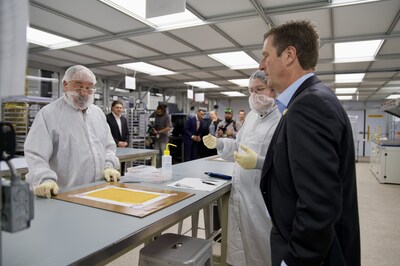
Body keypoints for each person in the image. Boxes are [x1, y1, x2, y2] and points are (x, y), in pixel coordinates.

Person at [259, 20, 360, 266]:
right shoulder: (311, 99)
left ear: (289, 55)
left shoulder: (308, 106)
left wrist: (293, 261)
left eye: (265, 55)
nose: (261, 65)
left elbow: (318, 205)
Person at [202, 70, 281, 266]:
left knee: (264, 250)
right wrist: (219, 143)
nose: (255, 95)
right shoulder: (252, 117)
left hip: (262, 198)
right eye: (250, 91)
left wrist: (259, 162)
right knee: (241, 247)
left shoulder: (282, 118)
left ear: (273, 89)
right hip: (242, 191)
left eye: (259, 89)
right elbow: (238, 144)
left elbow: (286, 161)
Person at [24, 65, 120, 198]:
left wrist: (109, 166)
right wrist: (45, 179)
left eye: (89, 87)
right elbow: (36, 154)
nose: (84, 92)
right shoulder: (49, 114)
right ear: (65, 85)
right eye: (78, 86)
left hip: (100, 190)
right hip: (65, 195)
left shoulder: (97, 113)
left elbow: (108, 146)